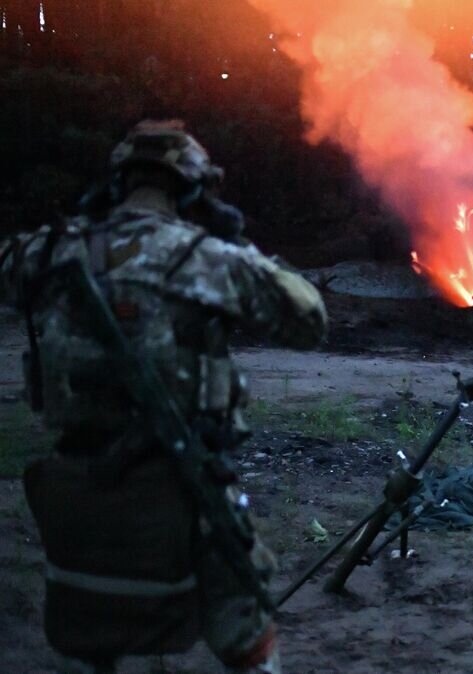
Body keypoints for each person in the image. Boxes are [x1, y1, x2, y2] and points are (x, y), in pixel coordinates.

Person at [0, 120, 327, 673]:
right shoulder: (209, 259)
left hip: (80, 486)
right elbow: (309, 320)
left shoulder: (55, 251)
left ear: (117, 183)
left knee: (90, 630)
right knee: (244, 627)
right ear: (193, 191)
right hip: (187, 488)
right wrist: (238, 241)